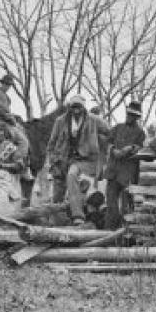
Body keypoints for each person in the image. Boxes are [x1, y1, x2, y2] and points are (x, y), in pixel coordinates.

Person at [46, 95, 110, 225]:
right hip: (63, 158)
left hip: (84, 159)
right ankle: (56, 223)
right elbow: (52, 143)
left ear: (83, 107)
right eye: (73, 106)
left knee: (72, 175)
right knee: (58, 190)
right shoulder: (61, 121)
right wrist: (52, 160)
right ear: (69, 107)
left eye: (78, 106)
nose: (76, 109)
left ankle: (78, 216)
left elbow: (109, 132)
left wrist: (100, 145)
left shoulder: (93, 120)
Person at [103, 101, 146, 230]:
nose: (129, 116)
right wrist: (113, 150)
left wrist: (131, 148)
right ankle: (108, 231)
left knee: (127, 206)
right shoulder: (117, 127)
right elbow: (108, 141)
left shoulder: (140, 133)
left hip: (128, 172)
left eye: (133, 115)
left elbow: (142, 147)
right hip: (113, 171)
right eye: (129, 113)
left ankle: (125, 234)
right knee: (111, 204)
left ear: (137, 117)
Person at [0, 73, 33, 188]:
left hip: (1, 120)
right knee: (24, 141)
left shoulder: (2, 94)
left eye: (9, 85)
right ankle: (19, 163)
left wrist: (13, 116)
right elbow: (1, 111)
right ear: (3, 84)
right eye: (7, 84)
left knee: (21, 128)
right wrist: (11, 118)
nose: (8, 87)